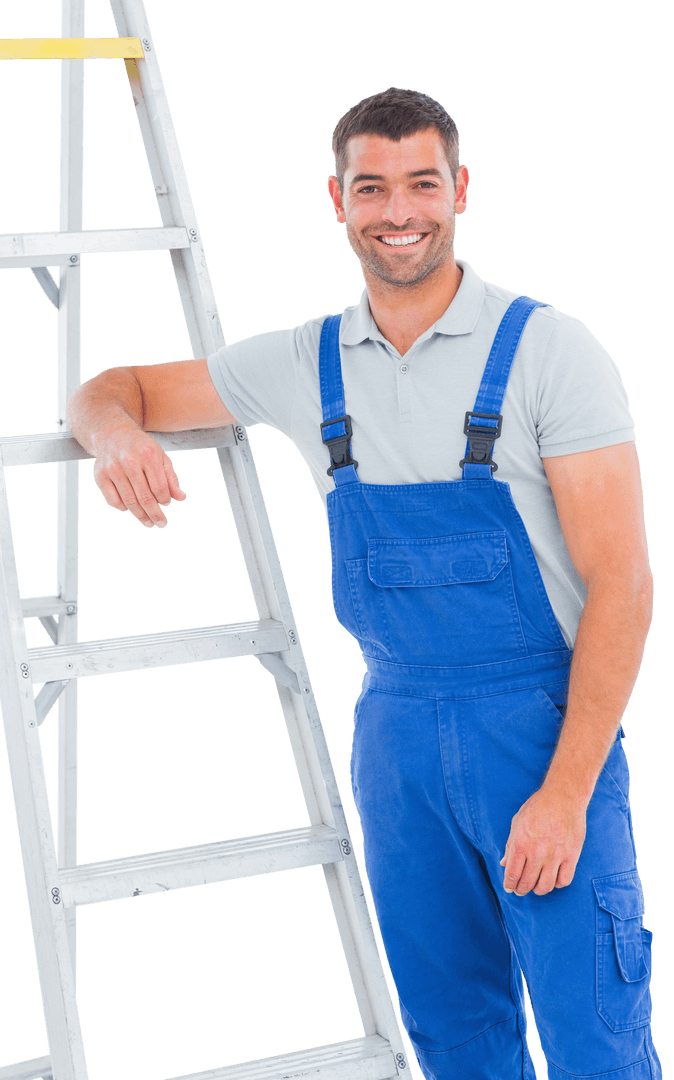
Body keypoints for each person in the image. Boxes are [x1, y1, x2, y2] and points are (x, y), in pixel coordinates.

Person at [67, 87, 661, 1080]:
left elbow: (624, 587)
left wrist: (562, 795)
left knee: (592, 1033)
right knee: (450, 1031)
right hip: (395, 739)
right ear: (334, 199)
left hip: (541, 729)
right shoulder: (307, 363)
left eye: (421, 185)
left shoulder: (549, 353)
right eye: (371, 188)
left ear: (458, 191)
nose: (398, 213)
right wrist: (114, 432)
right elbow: (113, 385)